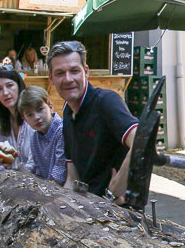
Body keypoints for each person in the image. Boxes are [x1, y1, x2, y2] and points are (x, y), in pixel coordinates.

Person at [48, 41, 138, 199]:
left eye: (74, 71)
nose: (68, 79)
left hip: (120, 212)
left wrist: (118, 185)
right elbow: (72, 177)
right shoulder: (67, 111)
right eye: (60, 73)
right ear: (51, 78)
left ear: (86, 71)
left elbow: (140, 141)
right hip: (89, 208)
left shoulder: (106, 101)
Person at [0, 68, 34, 172]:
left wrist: (13, 166)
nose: (5, 93)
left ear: (19, 85)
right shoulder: (5, 121)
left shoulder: (32, 118)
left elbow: (35, 167)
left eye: (9, 85)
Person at [19, 85, 66, 185]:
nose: (36, 117)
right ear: (25, 119)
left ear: (50, 107)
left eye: (40, 109)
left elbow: (60, 175)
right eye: (29, 114)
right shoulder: (34, 139)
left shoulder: (62, 131)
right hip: (48, 188)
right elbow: (38, 173)